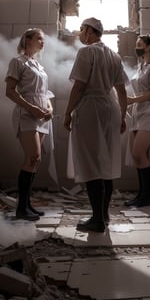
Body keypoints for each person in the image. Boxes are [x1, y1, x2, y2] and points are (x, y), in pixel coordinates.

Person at [64, 17, 128, 233]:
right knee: (106, 164)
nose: (80, 34)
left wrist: (67, 112)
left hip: (91, 107)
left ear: (90, 32)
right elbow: (121, 90)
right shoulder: (114, 55)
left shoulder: (86, 52)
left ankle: (97, 220)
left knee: (92, 164)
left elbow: (79, 86)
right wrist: (124, 115)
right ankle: (105, 214)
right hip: (111, 108)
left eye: (82, 30)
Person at [5, 28, 54, 221]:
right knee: (32, 156)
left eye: (43, 39)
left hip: (41, 115)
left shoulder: (39, 65)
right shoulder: (17, 62)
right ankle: (20, 208)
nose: (43, 42)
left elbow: (46, 93)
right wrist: (31, 107)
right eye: (39, 38)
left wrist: (49, 108)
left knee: (36, 159)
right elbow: (9, 91)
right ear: (27, 40)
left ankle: (27, 205)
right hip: (27, 114)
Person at [125, 34, 150, 208]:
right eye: (137, 44)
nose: (137, 46)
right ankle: (142, 195)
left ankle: (146, 197)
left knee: (138, 153)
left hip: (149, 110)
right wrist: (131, 105)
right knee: (139, 156)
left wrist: (132, 100)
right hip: (137, 112)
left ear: (149, 47)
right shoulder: (141, 66)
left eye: (140, 44)